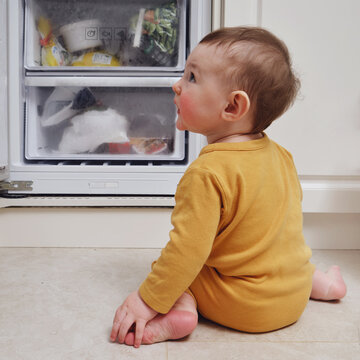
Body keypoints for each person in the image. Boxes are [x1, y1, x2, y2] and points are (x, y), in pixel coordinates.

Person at [110, 26, 347, 348]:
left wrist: (146, 300)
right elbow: (282, 230)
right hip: (293, 297)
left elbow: (186, 253)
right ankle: (325, 287)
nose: (176, 85)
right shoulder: (281, 156)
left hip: (247, 309)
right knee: (280, 249)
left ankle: (182, 311)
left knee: (183, 270)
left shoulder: (208, 173)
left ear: (233, 107)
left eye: (192, 77)